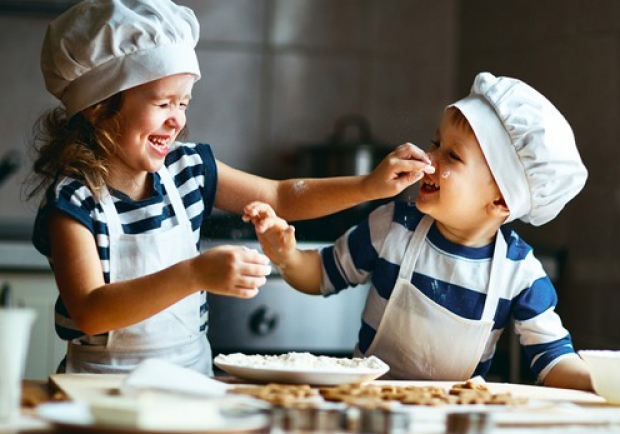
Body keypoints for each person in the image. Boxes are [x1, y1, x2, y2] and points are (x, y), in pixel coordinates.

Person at [28, 0, 435, 375]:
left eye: (183, 103)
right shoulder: (74, 201)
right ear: (100, 107)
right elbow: (90, 311)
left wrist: (368, 186)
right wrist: (194, 273)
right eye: (162, 102)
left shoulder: (189, 170)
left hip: (189, 383)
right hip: (98, 392)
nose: (177, 121)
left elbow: (279, 196)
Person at [244, 72, 593, 390]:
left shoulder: (520, 273)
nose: (429, 158)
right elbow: (320, 275)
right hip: (367, 410)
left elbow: (554, 361)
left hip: (454, 420)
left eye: (452, 156)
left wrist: (599, 381)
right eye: (435, 143)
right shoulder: (392, 226)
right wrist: (287, 256)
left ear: (501, 199)